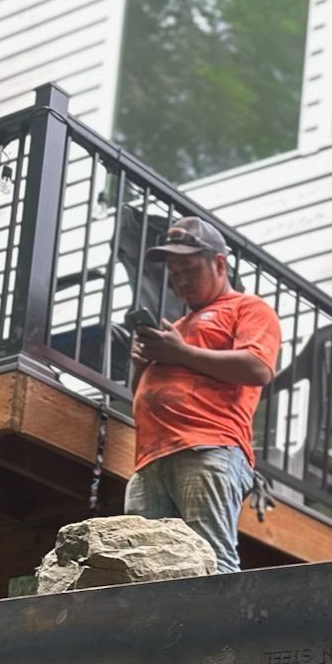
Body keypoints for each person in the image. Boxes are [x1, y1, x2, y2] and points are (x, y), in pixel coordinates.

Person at [126, 216, 281, 573]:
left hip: (207, 447)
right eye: (174, 272)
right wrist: (143, 362)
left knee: (210, 560)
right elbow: (141, 394)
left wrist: (179, 352)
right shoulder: (175, 329)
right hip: (151, 459)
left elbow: (258, 368)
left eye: (189, 268)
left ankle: (222, 630)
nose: (179, 279)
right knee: (142, 568)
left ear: (219, 264)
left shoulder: (249, 308)